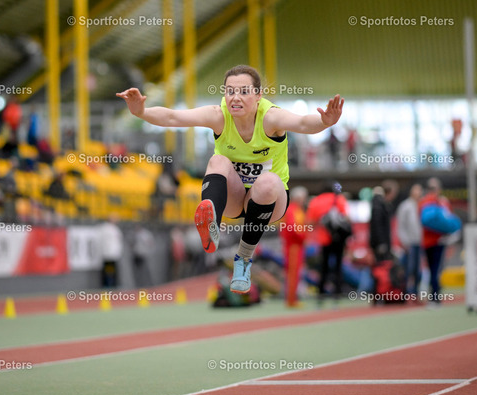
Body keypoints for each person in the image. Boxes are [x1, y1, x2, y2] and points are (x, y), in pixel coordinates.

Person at [117, 65, 344, 294]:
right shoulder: (219, 115)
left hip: (271, 200)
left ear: (258, 95)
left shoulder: (271, 117)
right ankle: (212, 223)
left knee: (266, 182)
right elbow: (173, 117)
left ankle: (243, 259)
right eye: (230, 91)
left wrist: (325, 122)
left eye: (244, 91)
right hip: (234, 197)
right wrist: (141, 112)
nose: (236, 97)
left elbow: (303, 123)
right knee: (218, 161)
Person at [307, 182, 351, 303]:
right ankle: (337, 292)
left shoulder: (316, 201)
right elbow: (347, 218)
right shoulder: (339, 199)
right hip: (338, 239)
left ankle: (321, 292)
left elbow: (310, 222)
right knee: (338, 265)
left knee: (324, 266)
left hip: (324, 239)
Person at [419, 178, 449, 306]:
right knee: (434, 269)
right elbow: (448, 221)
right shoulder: (439, 202)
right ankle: (434, 296)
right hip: (434, 241)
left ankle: (434, 296)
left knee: (433, 269)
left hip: (433, 241)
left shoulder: (424, 202)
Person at [280, 186, 309, 307]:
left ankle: (292, 298)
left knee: (295, 272)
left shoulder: (297, 209)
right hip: (293, 246)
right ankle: (291, 299)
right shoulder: (293, 209)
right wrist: (303, 237)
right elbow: (293, 228)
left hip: (296, 245)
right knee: (293, 272)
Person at [396, 183, 423, 295]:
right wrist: (404, 241)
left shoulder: (422, 204)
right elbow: (401, 225)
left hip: (420, 242)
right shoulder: (405, 206)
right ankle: (405, 292)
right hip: (409, 243)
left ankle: (415, 292)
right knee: (408, 269)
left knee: (418, 270)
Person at [99, 215, 124, 288]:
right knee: (109, 270)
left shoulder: (114, 228)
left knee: (112, 270)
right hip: (108, 253)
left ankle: (112, 284)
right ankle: (108, 284)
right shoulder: (105, 228)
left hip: (113, 254)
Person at [369, 186, 392, 263]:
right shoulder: (379, 205)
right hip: (380, 242)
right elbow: (378, 225)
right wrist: (381, 242)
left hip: (378, 241)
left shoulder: (375, 204)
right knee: (381, 264)